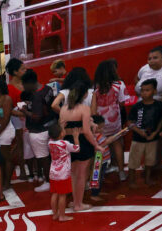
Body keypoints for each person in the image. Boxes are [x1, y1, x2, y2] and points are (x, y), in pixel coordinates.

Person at [60, 80, 105, 213]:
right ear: (84, 95)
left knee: (73, 174)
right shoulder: (84, 109)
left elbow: (62, 128)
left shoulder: (63, 108)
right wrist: (96, 145)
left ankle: (76, 200)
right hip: (82, 142)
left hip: (68, 141)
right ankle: (78, 204)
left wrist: (90, 122)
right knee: (81, 175)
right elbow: (86, 131)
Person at [92, 59, 131, 183]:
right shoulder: (119, 84)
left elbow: (93, 109)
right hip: (114, 121)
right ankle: (121, 172)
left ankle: (97, 177)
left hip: (100, 123)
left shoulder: (96, 88)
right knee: (117, 144)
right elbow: (122, 103)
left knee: (99, 147)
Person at [127, 79, 162, 187]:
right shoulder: (136, 106)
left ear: (154, 91)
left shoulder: (159, 105)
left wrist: (155, 133)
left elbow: (161, 120)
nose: (144, 93)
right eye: (142, 90)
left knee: (150, 161)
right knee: (133, 161)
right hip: (137, 138)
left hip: (152, 138)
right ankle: (131, 180)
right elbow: (130, 122)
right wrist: (139, 131)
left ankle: (148, 178)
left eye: (147, 90)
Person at [48, 123, 79, 221]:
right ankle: (62, 216)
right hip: (63, 174)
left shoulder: (50, 143)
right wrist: (76, 137)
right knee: (62, 195)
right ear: (61, 133)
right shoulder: (65, 144)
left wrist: (59, 125)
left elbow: (54, 135)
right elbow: (77, 149)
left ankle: (55, 214)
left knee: (54, 193)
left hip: (53, 173)